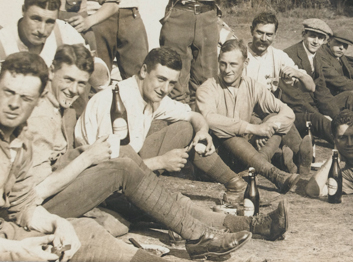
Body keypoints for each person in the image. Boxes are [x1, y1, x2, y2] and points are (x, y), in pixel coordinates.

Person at [27, 44, 286, 253]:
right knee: (133, 171)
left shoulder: (62, 109)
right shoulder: (45, 115)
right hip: (45, 206)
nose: (74, 90)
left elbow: (191, 114)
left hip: (85, 183)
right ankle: (200, 235)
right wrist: (88, 159)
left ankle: (246, 223)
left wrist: (203, 131)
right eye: (68, 80)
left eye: (81, 83)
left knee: (160, 170)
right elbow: (32, 195)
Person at [0, 51, 187, 262]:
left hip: (20, 223)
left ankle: (204, 228)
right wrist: (15, 248)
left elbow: (23, 203)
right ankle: (198, 231)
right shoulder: (34, 126)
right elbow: (35, 195)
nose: (15, 104)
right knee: (121, 172)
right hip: (9, 235)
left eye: (26, 98)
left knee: (89, 228)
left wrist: (57, 223)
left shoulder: (22, 140)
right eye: (8, 92)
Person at [75, 47, 248, 202]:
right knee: (174, 204)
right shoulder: (116, 101)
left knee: (187, 128)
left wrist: (203, 131)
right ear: (144, 71)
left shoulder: (151, 94)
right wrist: (161, 162)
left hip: (129, 164)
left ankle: (235, 183)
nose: (165, 89)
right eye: (161, 79)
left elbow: (192, 114)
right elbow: (110, 168)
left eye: (171, 83)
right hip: (96, 182)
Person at [196, 39, 306, 193]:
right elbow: (208, 119)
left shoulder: (251, 85)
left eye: (233, 64)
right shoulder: (207, 88)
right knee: (228, 133)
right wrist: (254, 128)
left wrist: (267, 127)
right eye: (223, 63)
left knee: (274, 116)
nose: (227, 70)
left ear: (245, 63)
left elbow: (287, 112)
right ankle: (273, 173)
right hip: (216, 157)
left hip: (246, 155)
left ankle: (255, 166)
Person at [0, 0, 109, 94]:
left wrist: (88, 66)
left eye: (50, 22)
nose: (42, 30)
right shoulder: (3, 41)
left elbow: (102, 81)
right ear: (23, 10)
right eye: (36, 19)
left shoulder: (64, 33)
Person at [280, 18, 340, 144]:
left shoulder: (317, 56)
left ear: (324, 41)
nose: (316, 41)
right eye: (312, 36)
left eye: (320, 38)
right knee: (321, 121)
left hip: (311, 104)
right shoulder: (289, 55)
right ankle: (348, 144)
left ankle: (348, 132)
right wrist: (320, 115)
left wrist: (337, 118)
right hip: (295, 109)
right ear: (304, 35)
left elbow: (322, 90)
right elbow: (293, 96)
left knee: (347, 101)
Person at [246, 12, 315, 94]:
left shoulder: (278, 56)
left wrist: (298, 74)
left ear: (274, 35)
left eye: (269, 35)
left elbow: (311, 87)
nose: (263, 39)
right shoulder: (239, 53)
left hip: (267, 104)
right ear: (251, 31)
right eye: (260, 33)